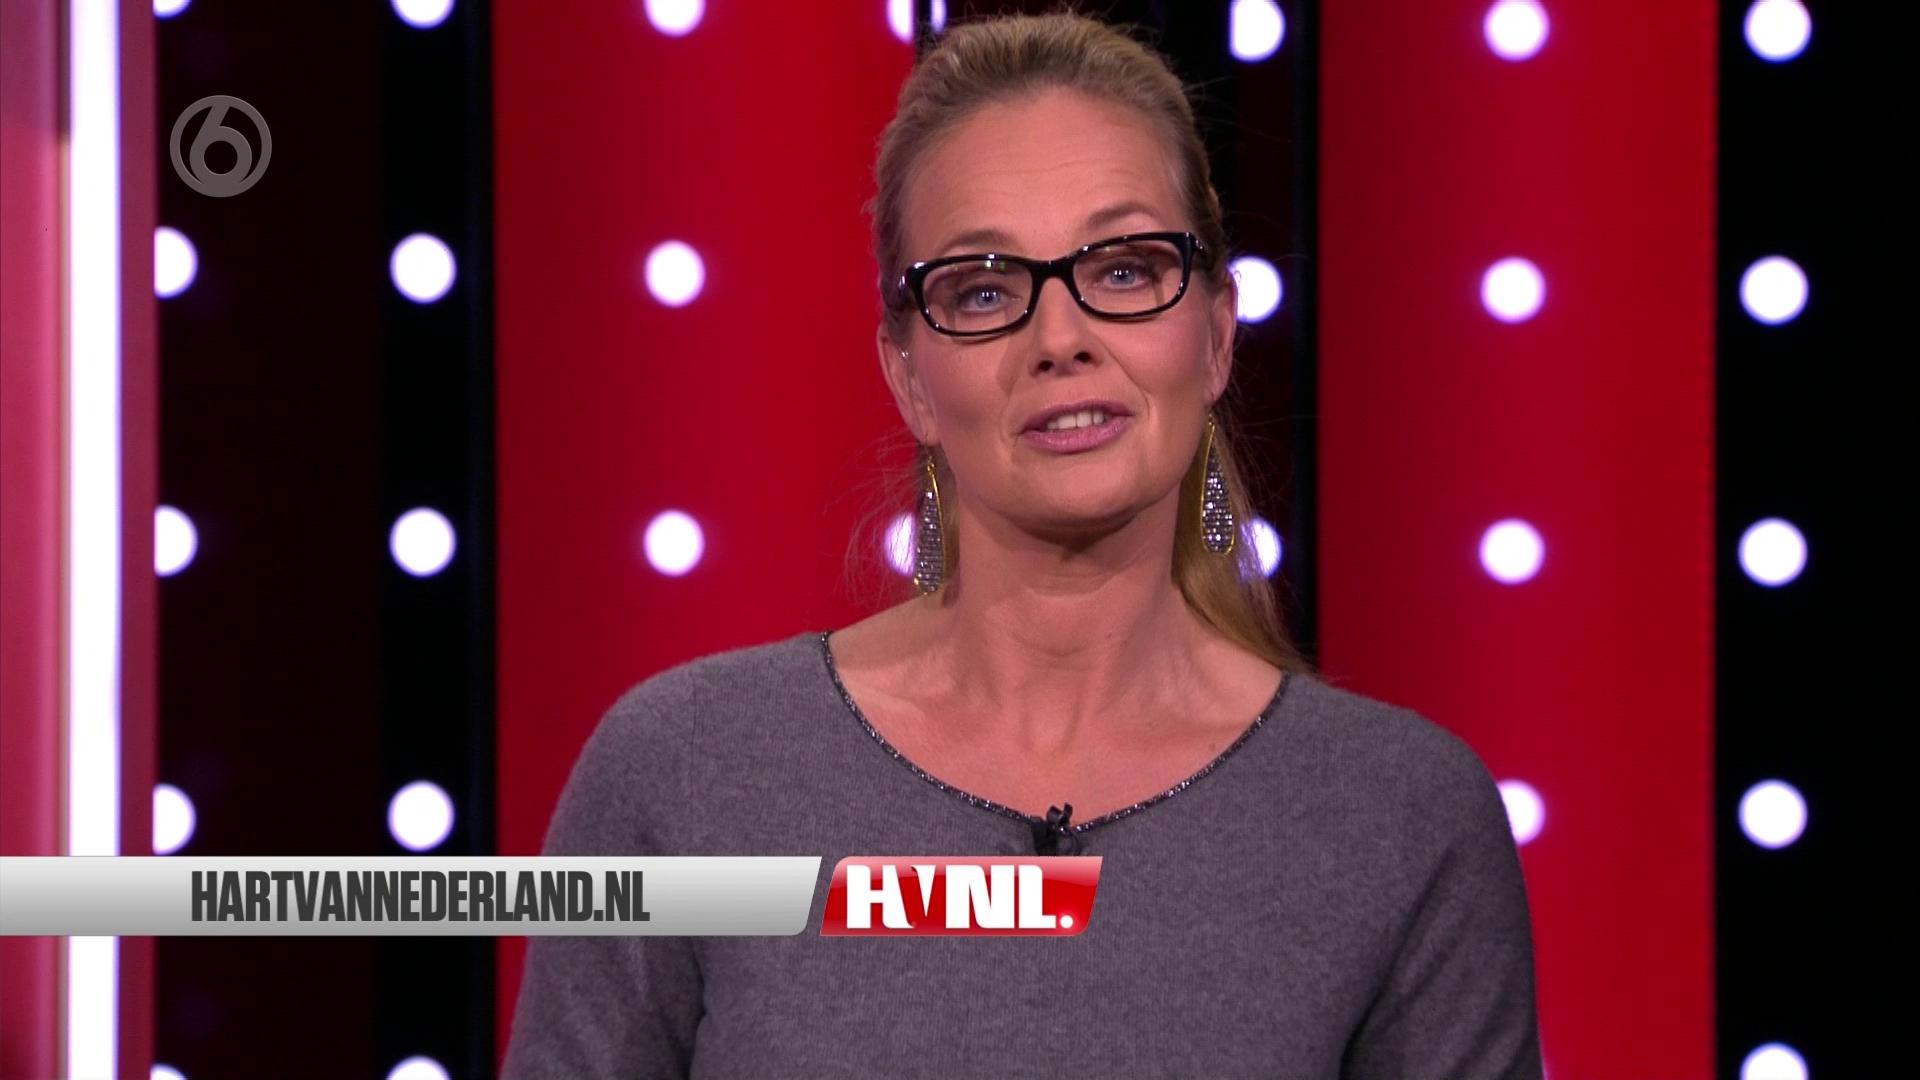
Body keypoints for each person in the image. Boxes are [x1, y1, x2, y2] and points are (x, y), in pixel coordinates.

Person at [501, 11, 1542, 1079]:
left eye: (1126, 270)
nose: (1061, 339)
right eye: (986, 291)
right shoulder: (687, 770)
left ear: (1218, 334)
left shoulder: (1398, 816)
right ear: (910, 377)